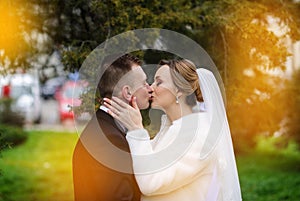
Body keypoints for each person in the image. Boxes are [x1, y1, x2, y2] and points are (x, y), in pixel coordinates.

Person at [104, 59, 242, 201]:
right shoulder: (171, 129)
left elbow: (150, 183)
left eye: (159, 82)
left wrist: (137, 130)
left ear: (179, 90)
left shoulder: (199, 135)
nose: (151, 88)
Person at [72, 54, 153, 201]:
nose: (150, 88)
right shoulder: (110, 139)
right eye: (144, 83)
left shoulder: (105, 127)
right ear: (127, 92)